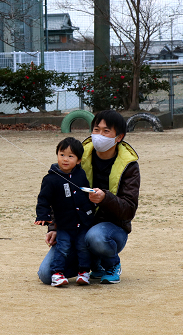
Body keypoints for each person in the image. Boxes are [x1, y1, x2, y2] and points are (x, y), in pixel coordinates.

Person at [38, 110, 140, 285]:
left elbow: (129, 209)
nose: (99, 135)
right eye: (96, 129)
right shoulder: (78, 155)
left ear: (119, 137)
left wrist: (105, 198)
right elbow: (59, 195)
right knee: (46, 274)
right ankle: (92, 263)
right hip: (75, 227)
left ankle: (111, 264)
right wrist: (54, 227)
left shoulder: (129, 166)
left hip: (110, 230)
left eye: (106, 131)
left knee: (95, 237)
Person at [34, 137, 96, 287]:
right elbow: (43, 200)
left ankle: (84, 272)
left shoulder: (80, 175)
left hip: (82, 223)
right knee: (62, 248)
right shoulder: (51, 179)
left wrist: (90, 210)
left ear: (79, 160)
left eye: (70, 156)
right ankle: (57, 274)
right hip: (64, 225)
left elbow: (85, 195)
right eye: (62, 155)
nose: (65, 159)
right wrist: (43, 216)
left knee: (83, 247)